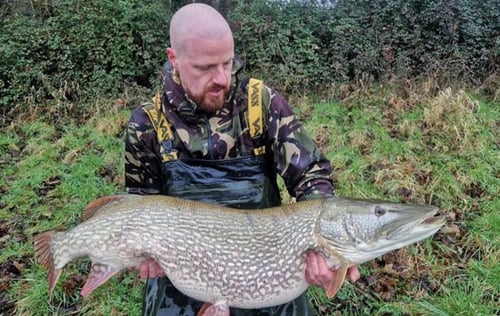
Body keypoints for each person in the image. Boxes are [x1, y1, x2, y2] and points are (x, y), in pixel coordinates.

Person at [124, 3, 359, 315]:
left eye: (227, 63)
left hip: (268, 266)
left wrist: (323, 243)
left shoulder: (260, 102)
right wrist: (145, 253)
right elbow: (140, 207)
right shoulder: (147, 123)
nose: (221, 78)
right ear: (174, 60)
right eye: (206, 68)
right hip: (184, 276)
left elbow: (310, 176)